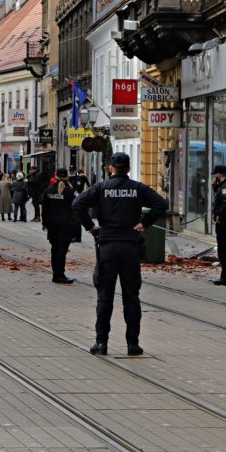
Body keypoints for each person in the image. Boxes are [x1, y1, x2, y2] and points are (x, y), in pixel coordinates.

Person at [72, 152, 167, 357]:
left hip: (107, 246)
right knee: (131, 297)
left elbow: (77, 204)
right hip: (130, 246)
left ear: (111, 168)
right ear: (129, 169)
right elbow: (161, 204)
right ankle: (133, 344)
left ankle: (101, 342)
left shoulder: (101, 188)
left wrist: (91, 227)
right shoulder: (137, 188)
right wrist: (145, 223)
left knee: (105, 297)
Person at [41, 168, 76, 284]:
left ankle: (56, 274)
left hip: (52, 225)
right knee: (62, 251)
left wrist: (44, 223)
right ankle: (60, 275)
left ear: (55, 177)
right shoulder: (70, 192)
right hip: (65, 226)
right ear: (66, 177)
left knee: (54, 250)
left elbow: (44, 209)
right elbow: (74, 210)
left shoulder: (48, 191)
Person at [68, 165, 90, 242]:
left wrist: (85, 178)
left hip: (79, 200)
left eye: (72, 170)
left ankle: (77, 237)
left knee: (76, 219)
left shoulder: (81, 178)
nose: (71, 171)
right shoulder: (70, 178)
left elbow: (88, 185)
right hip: (72, 199)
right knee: (72, 219)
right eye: (70, 170)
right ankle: (74, 235)